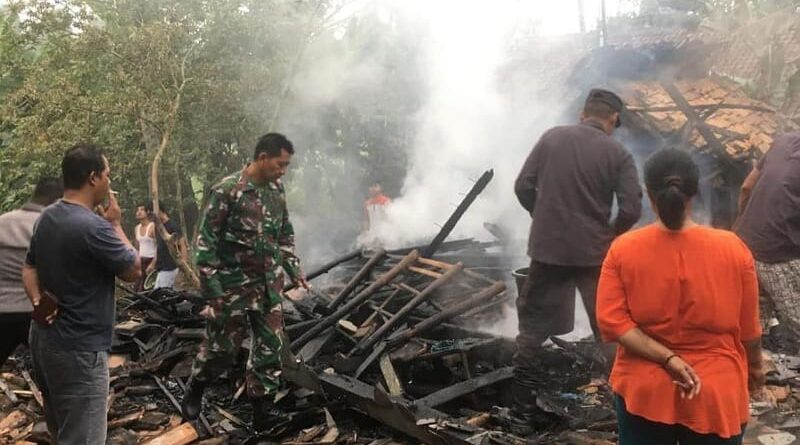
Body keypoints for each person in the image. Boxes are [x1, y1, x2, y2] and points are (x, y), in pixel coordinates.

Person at [596, 148, 764, 445]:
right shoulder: (733, 248)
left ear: (648, 193)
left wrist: (668, 358)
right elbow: (750, 330)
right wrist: (756, 371)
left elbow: (612, 323)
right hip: (715, 390)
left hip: (644, 388)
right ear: (695, 192)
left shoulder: (623, 249)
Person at [512, 88, 642, 419]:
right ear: (612, 117)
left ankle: (524, 405)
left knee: (532, 329)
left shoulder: (551, 138)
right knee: (608, 328)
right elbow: (631, 208)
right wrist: (609, 235)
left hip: (548, 250)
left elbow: (522, 186)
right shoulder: (618, 153)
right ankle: (622, 407)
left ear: (583, 114)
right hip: (593, 256)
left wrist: (542, 218)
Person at [182, 133, 308, 430]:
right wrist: (213, 291)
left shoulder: (276, 190)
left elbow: (284, 235)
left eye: (287, 165)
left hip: (268, 287)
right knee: (222, 349)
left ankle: (262, 412)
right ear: (262, 158)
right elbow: (205, 244)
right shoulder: (227, 191)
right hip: (231, 288)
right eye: (280, 164)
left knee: (269, 350)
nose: (283, 171)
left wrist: (293, 268)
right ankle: (197, 385)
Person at [22, 143, 140, 445]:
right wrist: (115, 222)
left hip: (44, 340)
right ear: (93, 178)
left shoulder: (47, 217)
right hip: (80, 349)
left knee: (61, 430)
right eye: (107, 175)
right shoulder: (94, 227)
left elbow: (29, 267)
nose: (109, 182)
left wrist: (38, 301)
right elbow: (133, 269)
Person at [735, 132, 800, 344]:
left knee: (752, 324)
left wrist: (742, 225)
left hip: (743, 246)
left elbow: (746, 187)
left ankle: (753, 368)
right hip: (778, 255)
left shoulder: (782, 141)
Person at [0, 177, 62, 368]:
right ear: (57, 200)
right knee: (53, 373)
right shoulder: (53, 226)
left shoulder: (3, 221)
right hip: (38, 311)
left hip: (2, 309)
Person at [150, 201, 186, 289]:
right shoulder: (157, 227)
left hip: (170, 267)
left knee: (163, 294)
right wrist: (153, 264)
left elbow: (182, 245)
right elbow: (157, 247)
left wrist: (183, 266)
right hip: (161, 267)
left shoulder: (173, 226)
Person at [134, 203, 156, 291]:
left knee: (148, 288)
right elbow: (137, 247)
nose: (139, 212)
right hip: (141, 261)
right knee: (137, 288)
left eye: (142, 210)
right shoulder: (137, 228)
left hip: (151, 260)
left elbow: (159, 247)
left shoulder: (152, 226)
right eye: (137, 210)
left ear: (147, 212)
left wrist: (153, 263)